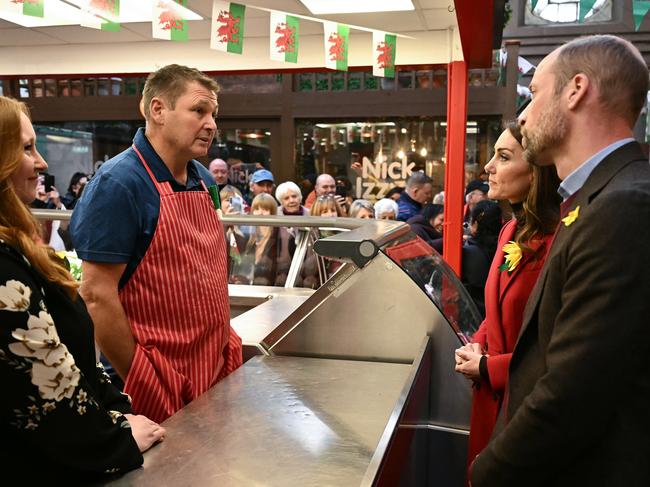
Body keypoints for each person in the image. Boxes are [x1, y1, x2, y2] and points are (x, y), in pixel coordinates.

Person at [471, 35, 650, 487]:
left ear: (575, 90)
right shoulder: (593, 198)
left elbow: (574, 391)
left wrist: (487, 472)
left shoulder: (623, 206)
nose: (526, 115)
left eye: (533, 95)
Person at [0, 96, 165, 481]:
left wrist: (115, 408)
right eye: (26, 148)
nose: (41, 162)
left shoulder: (19, 247)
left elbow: (73, 362)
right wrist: (117, 437)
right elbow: (48, 392)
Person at [70, 64, 243, 423]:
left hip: (211, 368)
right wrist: (143, 379)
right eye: (198, 110)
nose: (211, 124)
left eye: (213, 114)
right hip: (155, 383)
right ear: (158, 110)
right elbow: (96, 295)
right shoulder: (119, 184)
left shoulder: (203, 178)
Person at [455, 122, 560, 483]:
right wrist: (477, 343)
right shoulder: (511, 230)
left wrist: (488, 367)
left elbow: (552, 346)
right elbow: (497, 308)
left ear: (535, 173)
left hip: (523, 408)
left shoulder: (559, 240)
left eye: (503, 157)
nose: (488, 167)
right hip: (490, 403)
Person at [460, 200, 503, 317]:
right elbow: (503, 269)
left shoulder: (470, 252)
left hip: (477, 313)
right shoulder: (506, 246)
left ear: (475, 224)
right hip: (499, 308)